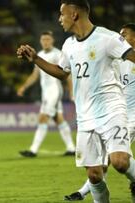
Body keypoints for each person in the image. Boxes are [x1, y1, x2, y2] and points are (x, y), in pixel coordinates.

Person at [16, 0, 135, 202]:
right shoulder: (69, 44)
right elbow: (62, 73)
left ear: (75, 14)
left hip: (112, 110)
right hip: (86, 116)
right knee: (94, 175)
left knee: (120, 162)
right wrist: (36, 59)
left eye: (62, 14)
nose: (59, 18)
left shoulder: (108, 38)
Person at [64, 22, 135, 201]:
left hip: (128, 116)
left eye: (125, 34)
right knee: (105, 163)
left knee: (117, 160)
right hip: (115, 114)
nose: (121, 37)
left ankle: (82, 192)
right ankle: (83, 191)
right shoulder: (116, 59)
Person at [17, 31, 75, 157]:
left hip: (54, 91)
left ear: (52, 41)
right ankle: (71, 148)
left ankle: (33, 150)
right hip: (46, 92)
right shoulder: (39, 55)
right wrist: (23, 87)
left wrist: (71, 91)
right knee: (58, 119)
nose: (46, 42)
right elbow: (35, 75)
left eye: (48, 39)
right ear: (40, 41)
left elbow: (67, 75)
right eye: (43, 39)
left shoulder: (58, 54)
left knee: (43, 118)